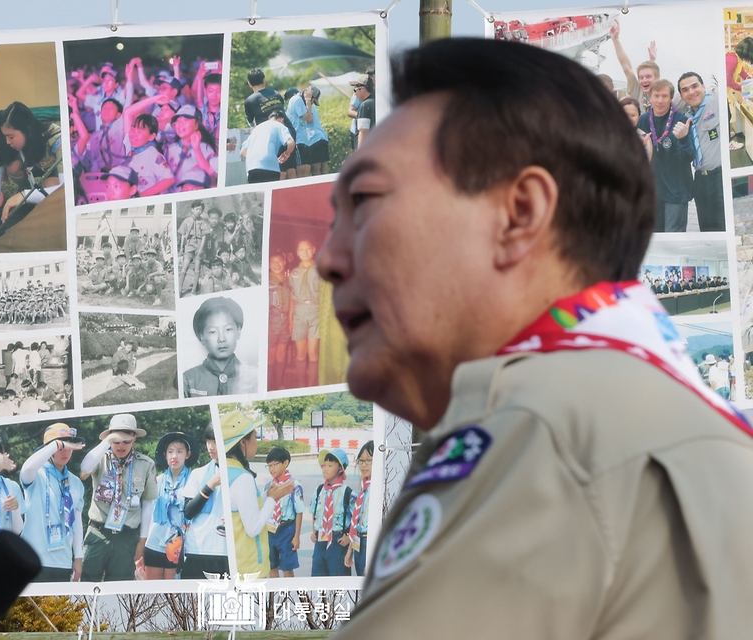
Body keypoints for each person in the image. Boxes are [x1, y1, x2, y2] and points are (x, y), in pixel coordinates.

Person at [322, 38, 753, 638]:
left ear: (520, 213)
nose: (327, 259)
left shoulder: (536, 431)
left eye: (365, 201)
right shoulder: (701, 437)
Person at [80, 414, 157, 582]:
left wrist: (143, 540)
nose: (120, 445)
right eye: (116, 441)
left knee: (120, 587)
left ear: (134, 438)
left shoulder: (146, 464)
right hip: (97, 533)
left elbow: (148, 503)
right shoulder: (100, 459)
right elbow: (84, 469)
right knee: (86, 584)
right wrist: (107, 441)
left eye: (126, 441)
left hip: (126, 537)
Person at [223, 410, 295, 579]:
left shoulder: (228, 471)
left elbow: (243, 507)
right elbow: (253, 528)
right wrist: (272, 499)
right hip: (249, 568)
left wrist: (266, 496)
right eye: (254, 437)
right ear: (243, 442)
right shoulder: (242, 478)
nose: (257, 442)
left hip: (237, 564)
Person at [20, 423, 86, 582]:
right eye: (60, 447)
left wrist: (78, 557)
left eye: (68, 445)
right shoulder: (36, 474)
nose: (65, 451)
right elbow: (26, 469)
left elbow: (77, 521)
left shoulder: (76, 482)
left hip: (62, 562)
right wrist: (56, 444)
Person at [0, 102, 64, 229]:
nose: (7, 141)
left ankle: (32, 193)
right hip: (30, 165)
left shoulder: (55, 138)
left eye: (11, 137)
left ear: (28, 130)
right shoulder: (9, 141)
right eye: (5, 137)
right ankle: (27, 189)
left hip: (52, 171)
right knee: (12, 166)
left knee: (53, 195)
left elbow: (64, 189)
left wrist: (24, 196)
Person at [637, 80, 694, 232]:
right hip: (653, 192)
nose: (660, 100)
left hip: (676, 191)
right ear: (650, 98)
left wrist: (682, 139)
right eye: (656, 96)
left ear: (671, 98)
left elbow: (689, 156)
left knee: (673, 237)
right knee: (655, 237)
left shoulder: (681, 120)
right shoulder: (643, 120)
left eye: (664, 96)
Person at [142, 432, 198, 580]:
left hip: (178, 546)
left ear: (188, 454)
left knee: (173, 594)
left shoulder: (194, 481)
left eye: (179, 451)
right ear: (165, 455)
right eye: (170, 452)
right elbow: (147, 514)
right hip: (154, 543)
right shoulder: (157, 481)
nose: (174, 456)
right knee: (152, 593)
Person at [183, 296, 258, 397]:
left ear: (238, 331)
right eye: (213, 332)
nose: (221, 339)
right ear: (202, 337)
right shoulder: (188, 380)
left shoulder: (255, 377)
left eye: (228, 329)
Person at [678, 72, 725, 232]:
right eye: (685, 90)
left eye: (694, 86)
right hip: (699, 180)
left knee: (722, 226)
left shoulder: (716, 103)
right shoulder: (686, 119)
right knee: (705, 226)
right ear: (681, 95)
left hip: (719, 178)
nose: (691, 92)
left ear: (703, 86)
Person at [180, 429, 229, 579]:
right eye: (208, 442)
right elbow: (188, 511)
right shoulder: (198, 474)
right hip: (198, 549)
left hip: (225, 551)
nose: (211, 447)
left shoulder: (239, 474)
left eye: (215, 442)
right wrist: (209, 486)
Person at [308, 448, 352, 577]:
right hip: (320, 541)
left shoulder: (348, 493)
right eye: (324, 465)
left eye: (330, 465)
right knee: (318, 581)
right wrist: (314, 530)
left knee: (338, 583)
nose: (325, 469)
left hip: (338, 542)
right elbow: (314, 512)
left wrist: (349, 536)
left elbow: (357, 518)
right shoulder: (319, 490)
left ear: (340, 469)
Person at [264, 447, 305, 578]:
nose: (272, 469)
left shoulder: (294, 485)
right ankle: (275, 596)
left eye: (275, 464)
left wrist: (296, 536)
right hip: (270, 530)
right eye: (269, 466)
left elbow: (299, 512)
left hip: (287, 529)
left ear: (286, 463)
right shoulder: (268, 486)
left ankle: (288, 596)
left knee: (287, 568)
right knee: (271, 566)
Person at [290, 240, 321, 387]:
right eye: (301, 249)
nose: (305, 252)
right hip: (299, 313)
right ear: (297, 253)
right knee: (301, 354)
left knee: (313, 353)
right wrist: (290, 319)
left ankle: (311, 384)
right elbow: (292, 297)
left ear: (313, 250)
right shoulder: (294, 273)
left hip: (315, 312)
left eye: (308, 248)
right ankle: (301, 384)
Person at [240, 109, 295, 184]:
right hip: (270, 167)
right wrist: (286, 154)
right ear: (282, 120)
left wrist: (257, 159)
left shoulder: (257, 128)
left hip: (252, 167)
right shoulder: (279, 125)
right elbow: (291, 143)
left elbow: (242, 152)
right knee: (271, 194)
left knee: (257, 194)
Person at [287, 86, 330, 177]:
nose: (313, 103)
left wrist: (308, 102)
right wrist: (307, 100)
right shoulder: (297, 100)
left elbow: (309, 119)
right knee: (310, 172)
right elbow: (309, 119)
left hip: (306, 140)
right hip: (299, 140)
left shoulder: (306, 105)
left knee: (313, 171)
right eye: (313, 100)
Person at [345, 441, 372, 577]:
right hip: (359, 541)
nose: (363, 465)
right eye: (361, 461)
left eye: (368, 461)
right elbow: (356, 522)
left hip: (371, 541)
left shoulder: (379, 489)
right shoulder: (363, 488)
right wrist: (350, 550)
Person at [268, 253, 291, 390]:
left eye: (279, 261)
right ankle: (270, 385)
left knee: (281, 354)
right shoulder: (267, 281)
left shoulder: (288, 281)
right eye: (272, 261)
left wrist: (290, 322)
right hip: (272, 321)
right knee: (271, 355)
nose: (276, 264)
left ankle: (279, 383)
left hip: (285, 320)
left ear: (284, 263)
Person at [350, 74, 376, 148]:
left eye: (355, 90)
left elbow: (363, 131)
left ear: (363, 89)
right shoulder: (377, 101)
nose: (355, 94)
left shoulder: (365, 105)